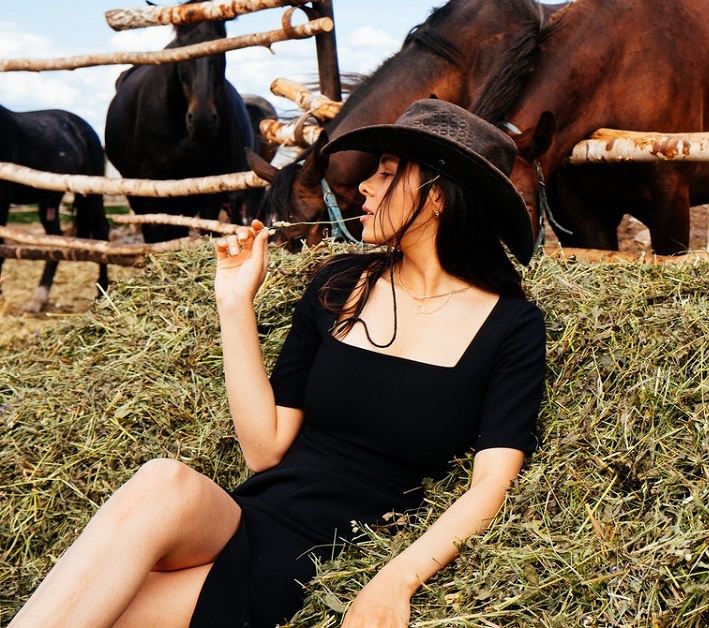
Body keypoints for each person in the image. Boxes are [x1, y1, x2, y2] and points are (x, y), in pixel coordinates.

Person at [9, 99, 545, 628]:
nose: (364, 187)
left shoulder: (511, 327)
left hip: (326, 553)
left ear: (437, 197)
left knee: (105, 610)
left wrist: (394, 580)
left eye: (385, 174)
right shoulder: (339, 284)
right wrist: (234, 300)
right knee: (162, 480)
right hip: (253, 513)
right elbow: (265, 451)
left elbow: (490, 485)